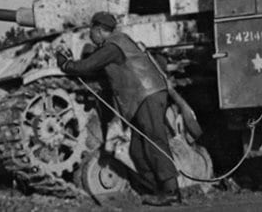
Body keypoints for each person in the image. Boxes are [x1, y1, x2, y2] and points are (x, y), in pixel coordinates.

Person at [55, 12, 181, 206]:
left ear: (98, 30)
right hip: (143, 97)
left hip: (147, 94)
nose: (91, 37)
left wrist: (65, 64)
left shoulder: (112, 46)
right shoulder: (119, 42)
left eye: (91, 32)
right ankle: (157, 190)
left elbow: (87, 66)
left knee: (154, 141)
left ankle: (171, 192)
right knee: (137, 150)